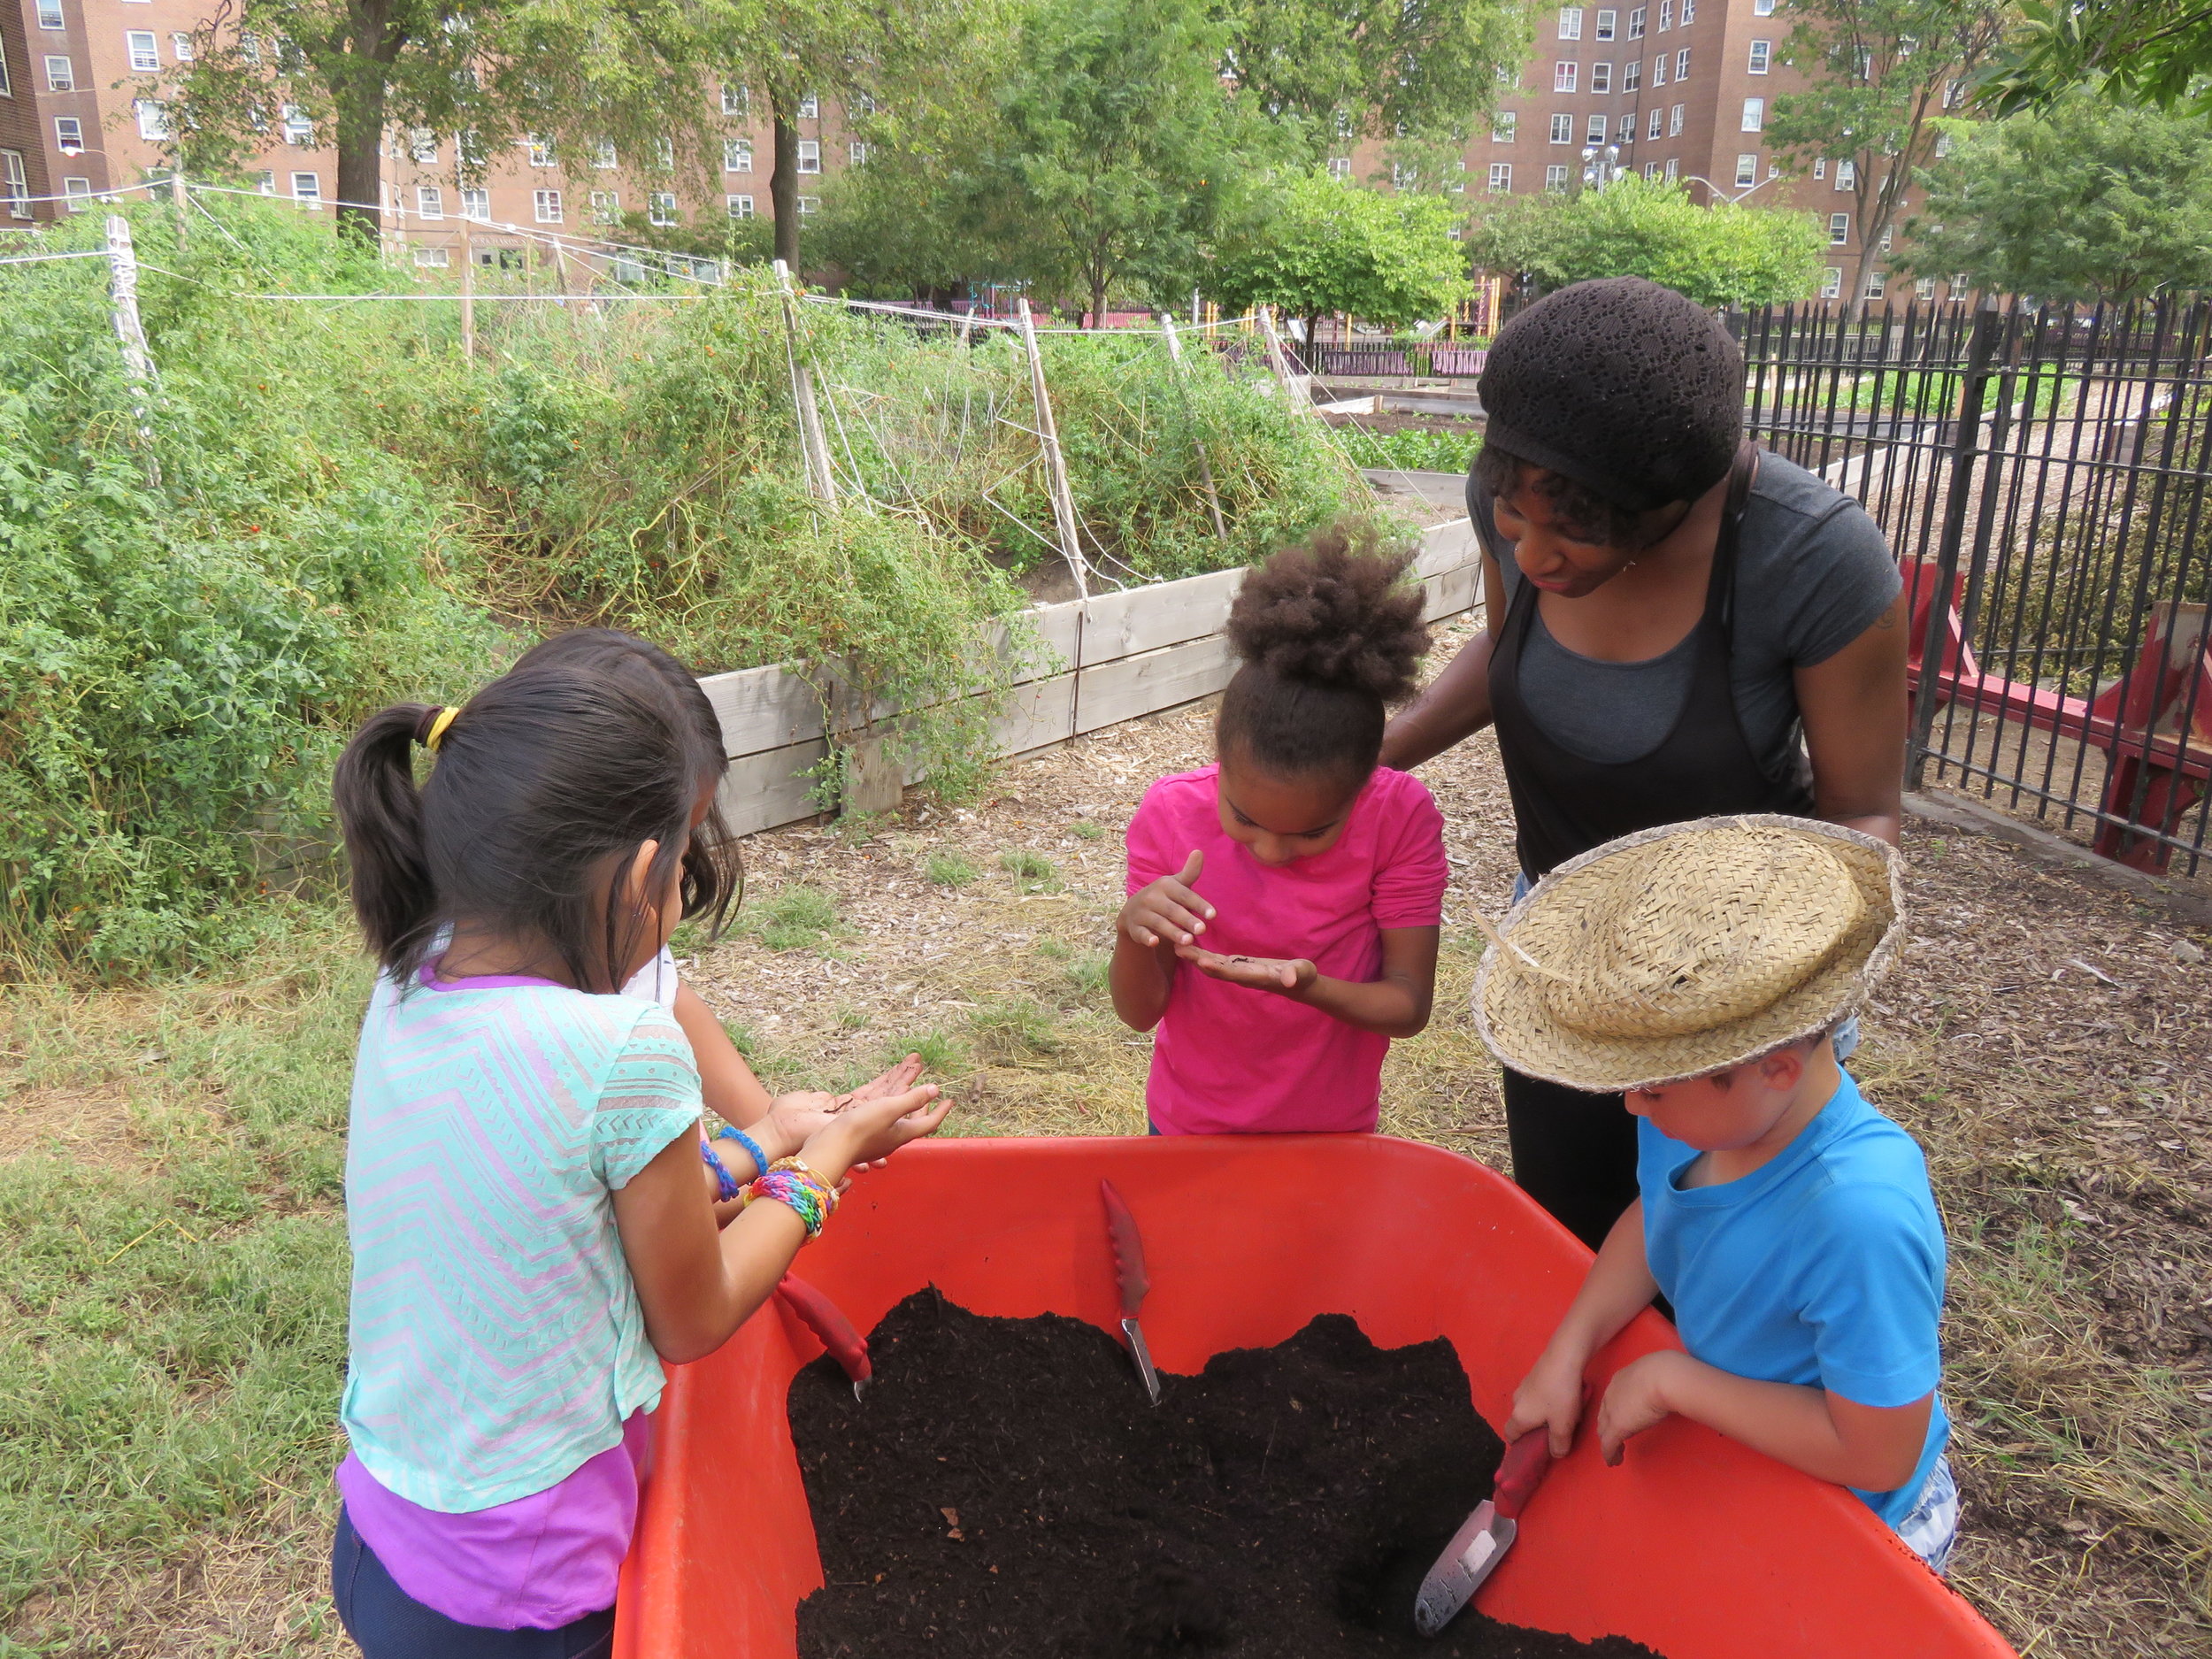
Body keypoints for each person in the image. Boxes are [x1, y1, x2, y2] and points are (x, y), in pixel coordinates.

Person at [327, 657, 950, 1658]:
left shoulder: (410, 981)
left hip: (381, 1544)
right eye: (677, 883)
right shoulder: (622, 1050)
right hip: (524, 1592)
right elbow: (694, 1315)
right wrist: (824, 1162)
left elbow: (555, 1211)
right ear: (632, 880)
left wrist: (762, 1141)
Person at [1379, 277, 1909, 1251]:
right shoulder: (1521, 492)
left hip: (1740, 980)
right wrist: (1377, 758)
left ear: (1674, 500)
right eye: (1512, 512)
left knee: (1730, 1265)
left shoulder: (1812, 556)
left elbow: (1864, 816)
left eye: (1574, 528)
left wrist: (1761, 1001)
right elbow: (1508, 664)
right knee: (1573, 1238)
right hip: (1563, 954)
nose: (1532, 552)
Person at [1482, 815, 1955, 1572]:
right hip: (1743, 1462)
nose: (1632, 1107)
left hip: (1855, 1525)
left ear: (1777, 1068)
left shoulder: (1858, 1216)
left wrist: (1676, 1380)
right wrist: (1566, 1351)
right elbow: (1659, 1215)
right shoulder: (1702, 1113)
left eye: (1652, 1088)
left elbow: (1879, 1453)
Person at [508, 628, 926, 1209]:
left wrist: (782, 1127)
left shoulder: (498, 964)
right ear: (635, 872)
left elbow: (667, 994)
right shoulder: (610, 1051)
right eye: (682, 852)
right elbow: (689, 1251)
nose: (686, 873)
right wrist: (809, 1164)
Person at [1112, 526, 1449, 1134]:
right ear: (1219, 756)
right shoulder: (1170, 815)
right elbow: (1140, 1011)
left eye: (1313, 832)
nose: (1270, 849)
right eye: (1243, 817)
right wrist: (1133, 930)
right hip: (1188, 1127)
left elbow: (1406, 1004)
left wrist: (1311, 988)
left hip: (1332, 1135)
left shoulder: (1399, 817)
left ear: (1364, 785)